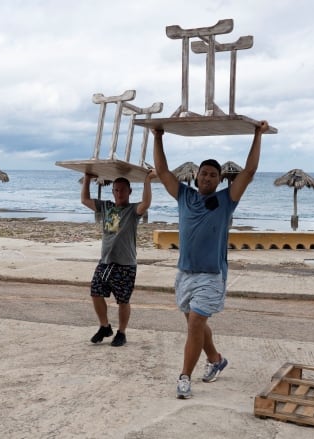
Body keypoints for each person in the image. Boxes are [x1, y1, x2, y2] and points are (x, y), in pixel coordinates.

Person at [152, 121, 269, 398]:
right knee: (196, 324)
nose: (207, 178)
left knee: (194, 325)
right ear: (196, 177)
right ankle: (216, 360)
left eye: (213, 175)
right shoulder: (184, 196)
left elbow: (249, 171)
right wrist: (158, 136)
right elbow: (162, 171)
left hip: (211, 275)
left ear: (219, 180)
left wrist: (257, 134)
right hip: (184, 273)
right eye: (204, 173)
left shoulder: (226, 200)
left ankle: (184, 378)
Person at [81, 170, 156, 347]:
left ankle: (121, 333)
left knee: (123, 301)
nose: (119, 193)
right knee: (95, 293)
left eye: (122, 190)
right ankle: (105, 326)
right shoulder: (106, 206)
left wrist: (147, 180)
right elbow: (84, 200)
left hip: (125, 264)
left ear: (129, 191)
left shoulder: (132, 210)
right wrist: (87, 179)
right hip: (105, 262)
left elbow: (146, 203)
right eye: (116, 190)